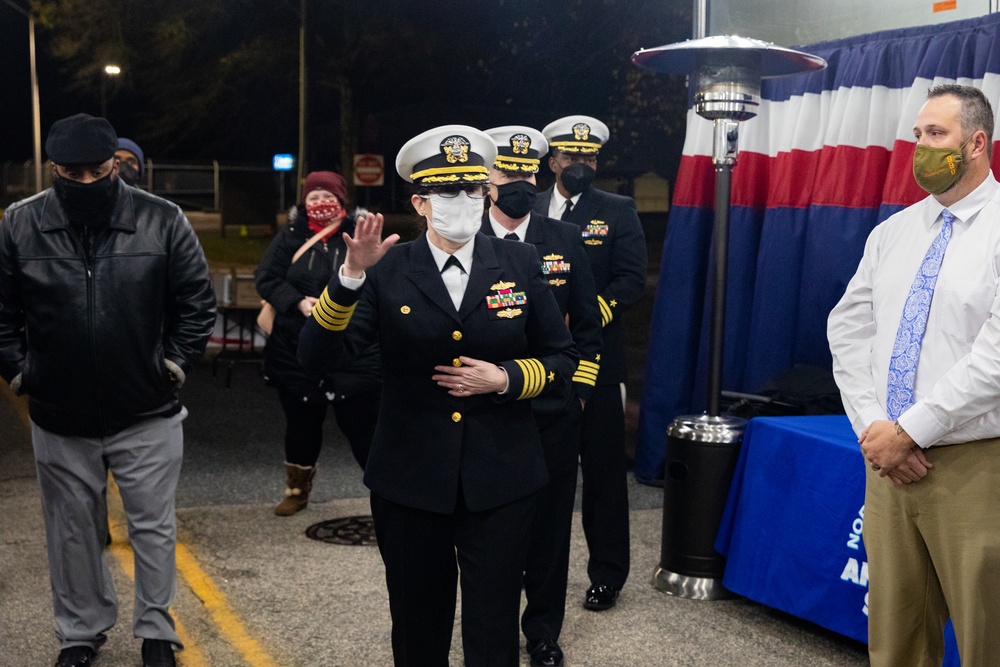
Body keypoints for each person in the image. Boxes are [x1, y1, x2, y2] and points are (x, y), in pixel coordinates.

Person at [298, 125, 578, 666]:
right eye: (448, 192)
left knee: (493, 623)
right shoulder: (388, 270)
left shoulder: (519, 263)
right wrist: (350, 277)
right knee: (417, 620)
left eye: (473, 189)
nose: (464, 201)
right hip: (411, 477)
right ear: (420, 202)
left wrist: (505, 379)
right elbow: (318, 358)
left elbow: (562, 357)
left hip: (501, 476)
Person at [0, 114, 216, 667]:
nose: (88, 182)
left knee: (152, 526)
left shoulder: (161, 220)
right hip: (58, 411)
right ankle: (79, 633)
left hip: (146, 408)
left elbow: (196, 302)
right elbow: (2, 314)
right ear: (54, 169)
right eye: (73, 173)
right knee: (71, 532)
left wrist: (170, 365)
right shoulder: (19, 224)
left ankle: (157, 632)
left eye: (98, 171)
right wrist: (23, 374)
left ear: (116, 165)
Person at [828, 84, 1000, 666]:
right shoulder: (893, 232)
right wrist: (876, 428)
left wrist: (913, 430)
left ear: (977, 143)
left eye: (936, 135)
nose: (920, 148)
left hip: (974, 468)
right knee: (896, 641)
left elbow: (994, 361)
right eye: (917, 135)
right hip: (887, 466)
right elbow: (848, 331)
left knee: (988, 639)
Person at [481, 125, 601, 667]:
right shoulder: (466, 242)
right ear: (487, 179)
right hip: (489, 413)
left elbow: (589, 329)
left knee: (551, 533)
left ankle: (543, 633)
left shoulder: (564, 239)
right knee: (494, 533)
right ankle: (493, 631)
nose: (521, 183)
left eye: (529, 173)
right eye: (509, 173)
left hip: (553, 412)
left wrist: (578, 392)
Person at [533, 114, 647, 611]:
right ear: (552, 159)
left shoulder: (616, 210)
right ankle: (534, 566)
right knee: (542, 472)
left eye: (589, 157)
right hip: (538, 362)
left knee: (602, 474)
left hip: (597, 360)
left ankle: (607, 574)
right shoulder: (528, 207)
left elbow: (629, 280)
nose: (581, 164)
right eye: (571, 156)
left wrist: (582, 318)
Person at [254, 171, 381, 515]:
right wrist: (297, 302)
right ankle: (297, 489)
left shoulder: (360, 233)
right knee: (301, 424)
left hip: (353, 350)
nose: (320, 203)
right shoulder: (290, 237)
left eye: (328, 197)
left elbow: (379, 282)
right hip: (295, 350)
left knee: (364, 429)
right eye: (313, 198)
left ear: (342, 202)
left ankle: (389, 497)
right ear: (303, 203)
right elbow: (266, 278)